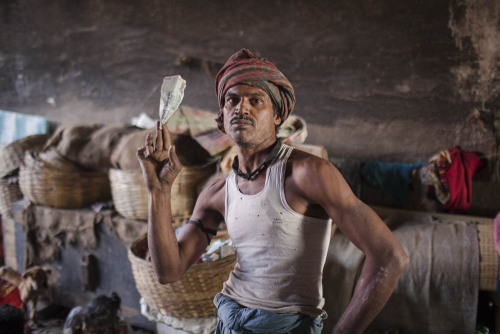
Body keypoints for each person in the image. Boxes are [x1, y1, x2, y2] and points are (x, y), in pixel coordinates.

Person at [137, 49, 409, 334]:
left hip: (284, 326)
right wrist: (159, 191)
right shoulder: (217, 192)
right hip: (227, 319)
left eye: (256, 100)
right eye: (232, 100)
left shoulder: (307, 174)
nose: (242, 108)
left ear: (278, 115)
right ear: (221, 118)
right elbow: (168, 272)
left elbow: (390, 257)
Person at [63, 292, 133, 334]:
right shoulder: (76, 317)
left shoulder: (122, 328)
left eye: (90, 330)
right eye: (86, 323)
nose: (84, 328)